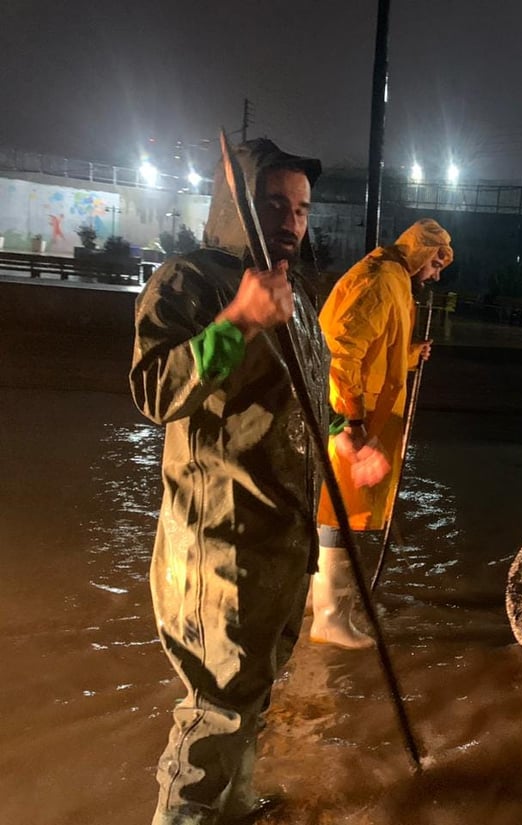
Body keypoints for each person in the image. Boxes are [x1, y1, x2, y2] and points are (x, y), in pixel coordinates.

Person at [130, 137, 327, 825]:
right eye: (275, 203)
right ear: (236, 203)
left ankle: (238, 805)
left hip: (281, 549)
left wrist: (341, 444)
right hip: (219, 551)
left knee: (255, 694)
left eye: (301, 208)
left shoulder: (293, 293)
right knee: (212, 714)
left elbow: (297, 406)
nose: (291, 221)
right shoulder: (192, 280)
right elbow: (154, 388)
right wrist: (236, 321)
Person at [310, 218, 454, 649]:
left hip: (361, 414)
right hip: (353, 415)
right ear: (425, 254)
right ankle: (330, 618)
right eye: (437, 265)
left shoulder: (389, 277)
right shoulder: (378, 279)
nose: (436, 276)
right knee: (341, 511)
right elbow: (340, 352)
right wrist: (349, 424)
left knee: (331, 507)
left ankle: (314, 601)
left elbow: (377, 350)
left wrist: (408, 355)